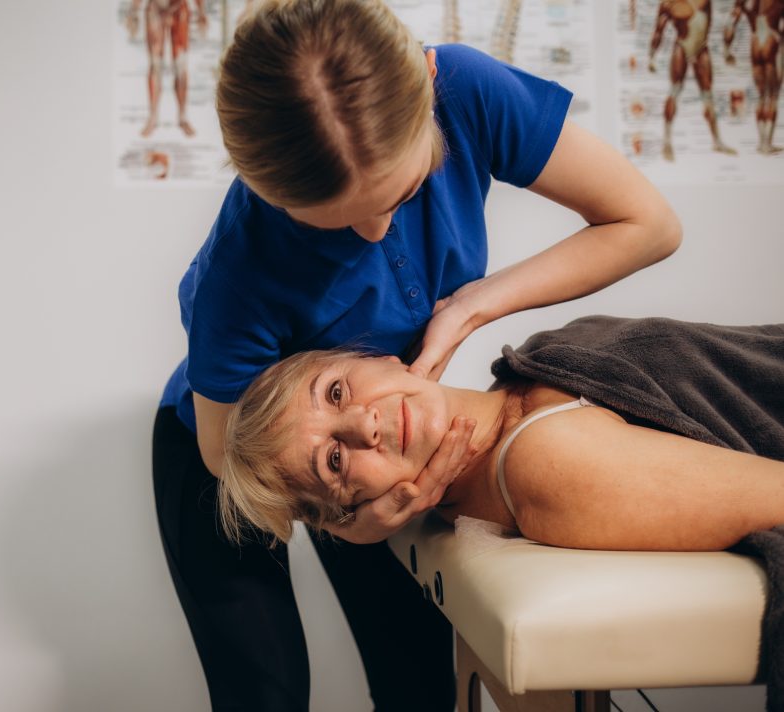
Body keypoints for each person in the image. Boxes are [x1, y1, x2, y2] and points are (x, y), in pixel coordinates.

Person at [154, 1, 681, 709]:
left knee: (417, 684)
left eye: (401, 196)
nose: (375, 233)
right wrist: (347, 519)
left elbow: (647, 224)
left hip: (359, 460)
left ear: (430, 97)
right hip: (223, 459)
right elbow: (228, 460)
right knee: (264, 691)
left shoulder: (463, 88)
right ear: (264, 190)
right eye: (337, 225)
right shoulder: (237, 273)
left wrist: (474, 303)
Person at [219, 316, 784, 551]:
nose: (363, 423)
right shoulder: (543, 464)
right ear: (358, 510)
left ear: (377, 356)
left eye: (336, 392)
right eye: (334, 462)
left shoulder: (526, 368)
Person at [649, 0, 736, 161]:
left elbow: (707, 22)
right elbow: (658, 30)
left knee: (708, 95)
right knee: (674, 91)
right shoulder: (668, 3)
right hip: (682, 46)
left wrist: (723, 50)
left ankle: (716, 141)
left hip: (701, 47)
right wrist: (652, 56)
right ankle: (667, 141)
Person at [126, 0, 207, 137]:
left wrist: (201, 11)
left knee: (180, 65)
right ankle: (153, 117)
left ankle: (182, 117)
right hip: (156, 8)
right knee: (155, 64)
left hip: (179, 8)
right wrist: (134, 10)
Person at [724, 0, 784, 155]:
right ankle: (767, 144)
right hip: (772, 39)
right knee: (773, 97)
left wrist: (727, 50)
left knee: (760, 97)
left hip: (755, 40)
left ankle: (760, 142)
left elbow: (731, 22)